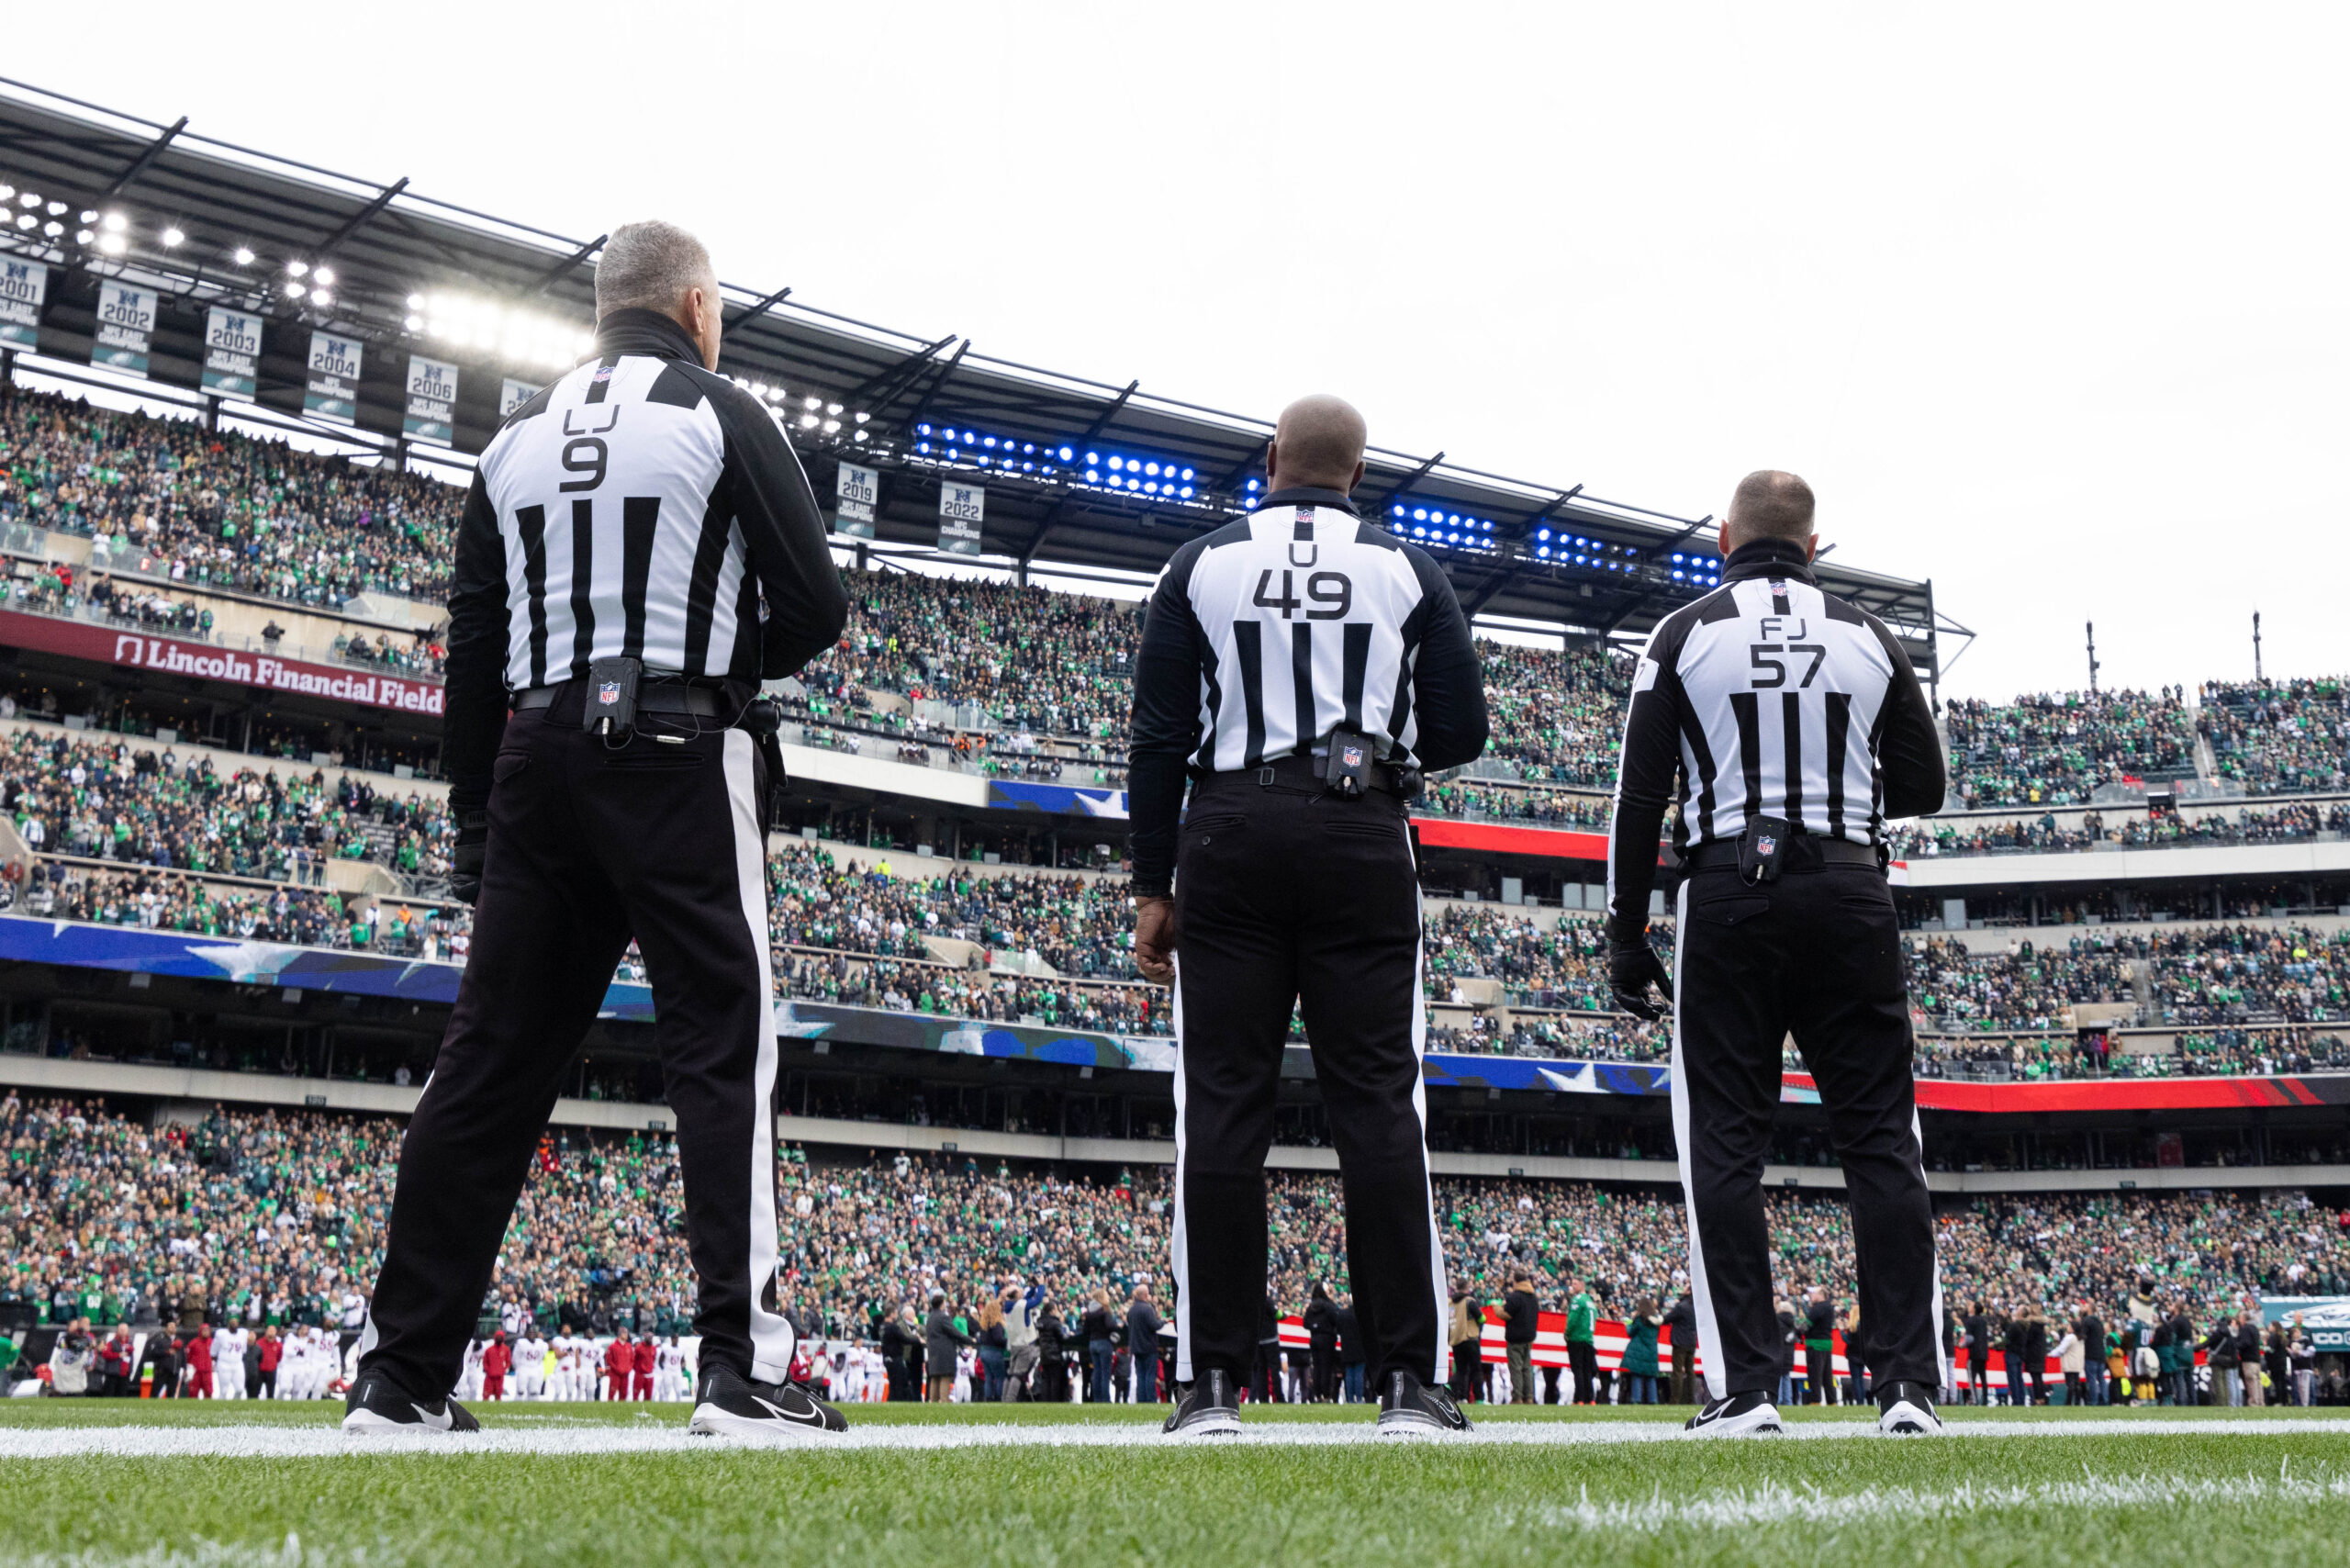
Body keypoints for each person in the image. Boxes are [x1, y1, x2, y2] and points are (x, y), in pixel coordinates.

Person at [343, 220, 851, 1442]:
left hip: (534, 755)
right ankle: (743, 1367)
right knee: (723, 1051)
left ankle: (400, 1377)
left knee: (489, 1066)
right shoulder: (721, 411)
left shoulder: (511, 443)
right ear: (693, 305)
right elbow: (817, 606)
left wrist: (474, 819)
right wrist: (728, 658)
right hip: (679, 747)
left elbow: (474, 649)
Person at [1126, 396, 1487, 1439]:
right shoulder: (1409, 569)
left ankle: (1215, 1382)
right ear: (1358, 473)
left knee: (1224, 1106)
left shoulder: (1198, 564)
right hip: (1359, 832)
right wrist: (1380, 748)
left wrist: (1154, 886)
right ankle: (1409, 1380)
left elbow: (1156, 737)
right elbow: (1462, 725)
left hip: (1230, 830)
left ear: (1271, 460)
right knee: (1376, 1105)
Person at [1606, 471, 1948, 1439]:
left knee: (1726, 1140)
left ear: (1724, 538)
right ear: (1813, 545)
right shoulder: (1869, 634)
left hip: (1727, 892)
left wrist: (1625, 933)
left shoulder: (1682, 632)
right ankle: (1905, 1387)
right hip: (1848, 888)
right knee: (1880, 1138)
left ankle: (1749, 1384)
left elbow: (1637, 798)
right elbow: (1923, 783)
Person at [925, 1294, 971, 1404]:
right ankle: (944, 1400)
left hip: (933, 1351)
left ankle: (933, 1401)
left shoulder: (930, 1317)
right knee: (945, 1377)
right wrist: (969, 1340)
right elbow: (954, 1332)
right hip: (944, 1352)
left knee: (935, 1377)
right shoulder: (943, 1317)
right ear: (941, 1304)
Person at [1503, 1272, 1539, 1406]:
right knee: (1527, 1368)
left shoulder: (1515, 1297)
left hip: (1515, 1338)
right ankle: (1529, 1397)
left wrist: (1496, 1309)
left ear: (1516, 1281)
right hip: (1529, 1338)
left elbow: (1507, 1313)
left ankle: (1517, 1397)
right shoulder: (1533, 1297)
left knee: (1516, 1368)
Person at [1126, 1284, 1164, 1404]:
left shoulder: (1131, 1310)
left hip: (1136, 1347)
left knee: (1140, 1375)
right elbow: (1154, 1325)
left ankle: (1142, 1400)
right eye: (1148, 1293)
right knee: (1149, 1375)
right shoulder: (1147, 1309)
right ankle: (1150, 1400)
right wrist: (1162, 1322)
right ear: (1144, 1295)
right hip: (1148, 1347)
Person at [1621, 1298, 1663, 1405]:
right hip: (1651, 1351)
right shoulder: (1657, 1321)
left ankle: (1636, 1399)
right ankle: (1653, 1399)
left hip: (1638, 1351)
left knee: (1637, 1375)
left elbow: (1630, 1332)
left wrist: (1628, 1324)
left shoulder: (1640, 1319)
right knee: (1651, 1377)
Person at [1565, 1280, 1598, 1406]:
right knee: (1587, 1370)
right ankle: (1590, 1398)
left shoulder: (1577, 1300)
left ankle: (1579, 1398)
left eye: (1575, 1284)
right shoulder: (1590, 1301)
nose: (1572, 1286)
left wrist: (1567, 1332)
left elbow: (1572, 1319)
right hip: (1588, 1339)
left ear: (1582, 1285)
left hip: (1577, 1338)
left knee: (1578, 1369)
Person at [1081, 1289, 1116, 1405]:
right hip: (1104, 1342)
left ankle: (1097, 1399)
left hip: (1092, 1343)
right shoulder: (1105, 1310)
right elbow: (1110, 1325)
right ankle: (1105, 1399)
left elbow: (1085, 1330)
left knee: (1096, 1372)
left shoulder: (1089, 1312)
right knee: (1105, 1372)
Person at [1664, 1285, 1696, 1405]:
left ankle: (1675, 1400)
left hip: (1680, 1343)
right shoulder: (1695, 1306)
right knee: (1690, 1372)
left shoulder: (1682, 1307)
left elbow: (1667, 1319)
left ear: (1688, 1291)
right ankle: (1691, 1400)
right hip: (1691, 1342)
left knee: (1677, 1372)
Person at [2076, 1304, 2109, 1407]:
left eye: (2085, 1306)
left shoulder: (2087, 1321)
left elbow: (2082, 1335)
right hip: (2101, 1354)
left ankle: (2093, 1402)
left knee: (2092, 1380)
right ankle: (2105, 1400)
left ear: (2089, 1309)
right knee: (2101, 1379)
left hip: (2091, 1354)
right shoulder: (2099, 1321)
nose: (2082, 1308)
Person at [1336, 1295, 1367, 1404]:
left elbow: (1338, 1330)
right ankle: (1358, 1398)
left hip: (1347, 1347)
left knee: (1349, 1373)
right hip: (1360, 1348)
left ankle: (1349, 1399)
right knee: (1359, 1373)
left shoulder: (1343, 1314)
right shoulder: (1363, 1314)